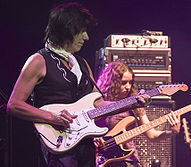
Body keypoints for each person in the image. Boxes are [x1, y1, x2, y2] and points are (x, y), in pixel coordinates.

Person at [7, 2, 151, 167]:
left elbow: (99, 103)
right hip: (57, 142)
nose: (86, 37)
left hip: (84, 142)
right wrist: (53, 117)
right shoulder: (39, 61)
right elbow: (14, 105)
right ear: (67, 30)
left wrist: (131, 103)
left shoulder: (81, 64)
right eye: (82, 31)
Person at [94, 61, 181, 167]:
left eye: (130, 82)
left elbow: (152, 135)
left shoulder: (136, 104)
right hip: (101, 158)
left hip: (128, 159)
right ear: (112, 82)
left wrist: (171, 132)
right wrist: (94, 139)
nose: (128, 87)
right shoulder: (98, 104)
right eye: (123, 82)